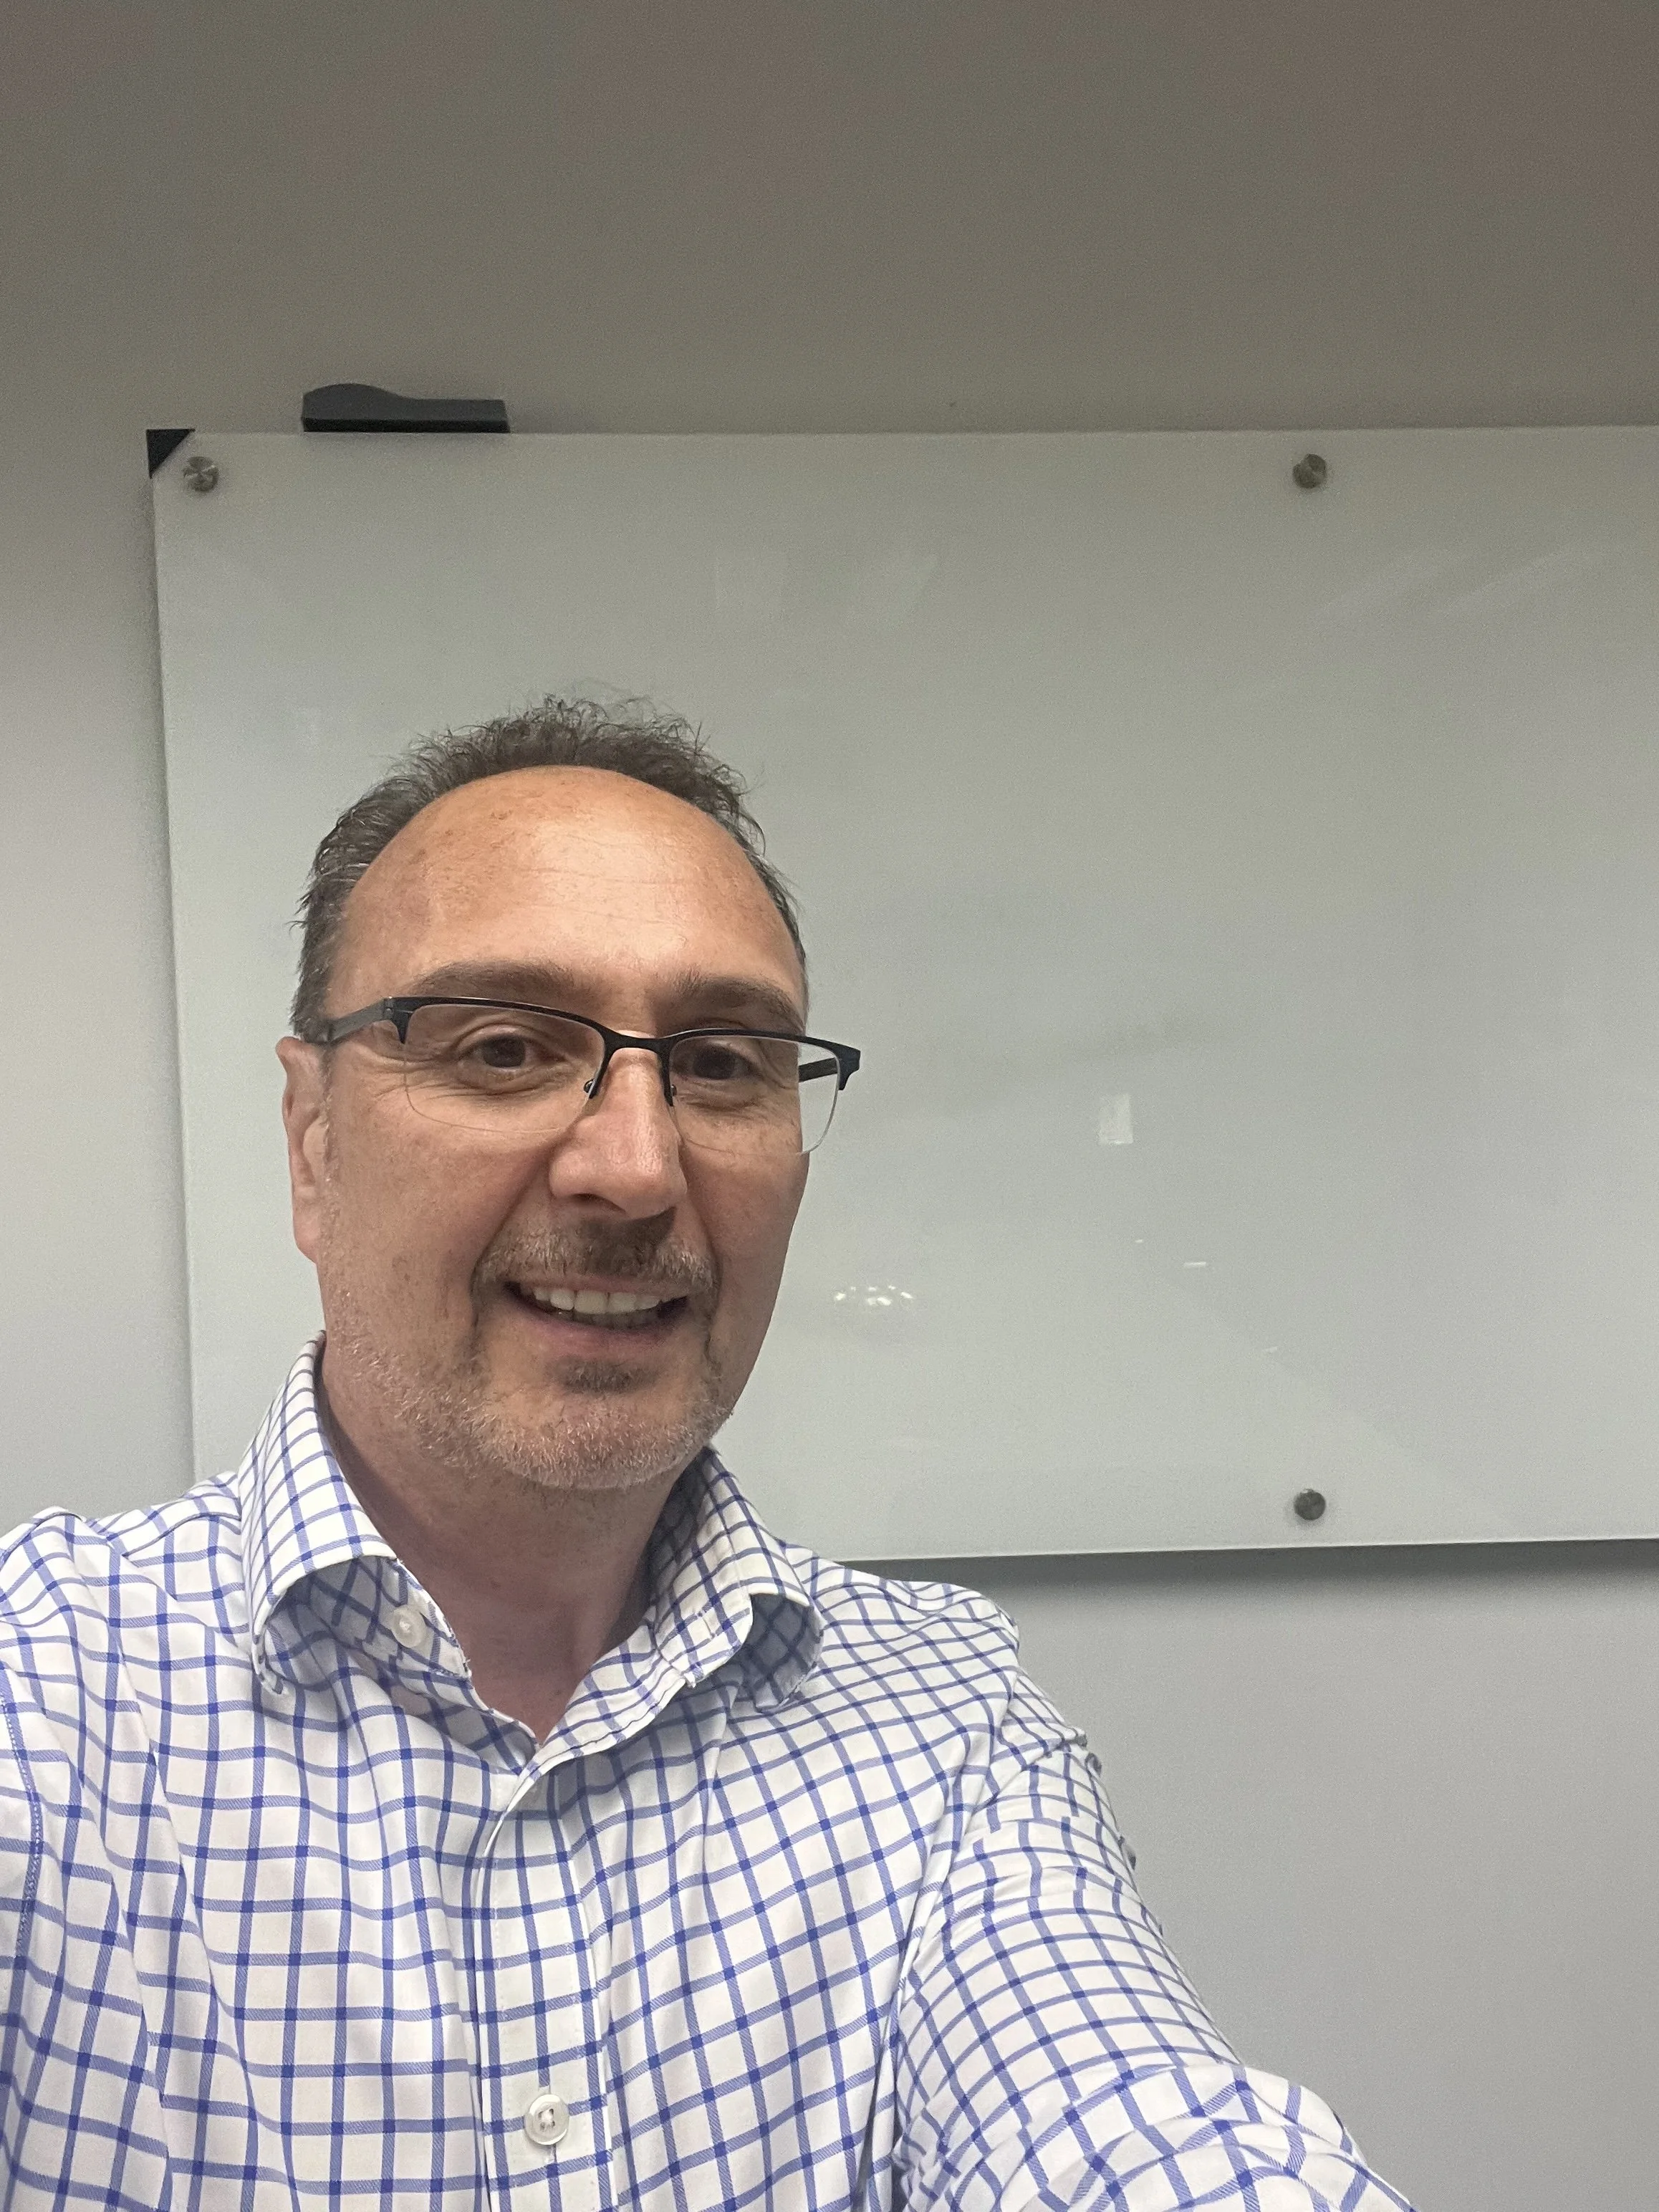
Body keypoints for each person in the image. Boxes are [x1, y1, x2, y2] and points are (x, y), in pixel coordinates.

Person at [0, 700, 1413, 2210]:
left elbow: (1133, 2127)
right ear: (313, 1139)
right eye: (503, 1046)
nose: (636, 1165)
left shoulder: (946, 1716)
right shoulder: (40, 1698)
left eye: (725, 1062)